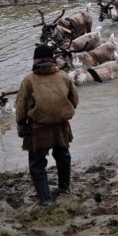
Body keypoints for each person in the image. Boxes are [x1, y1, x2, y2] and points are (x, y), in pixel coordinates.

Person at [16, 44, 79, 206]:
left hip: (38, 128)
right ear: (53, 59)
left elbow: (21, 106)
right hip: (61, 126)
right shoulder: (64, 76)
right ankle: (64, 188)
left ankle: (45, 199)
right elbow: (74, 100)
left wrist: (21, 125)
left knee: (37, 164)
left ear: (34, 59)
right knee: (63, 156)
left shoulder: (29, 80)